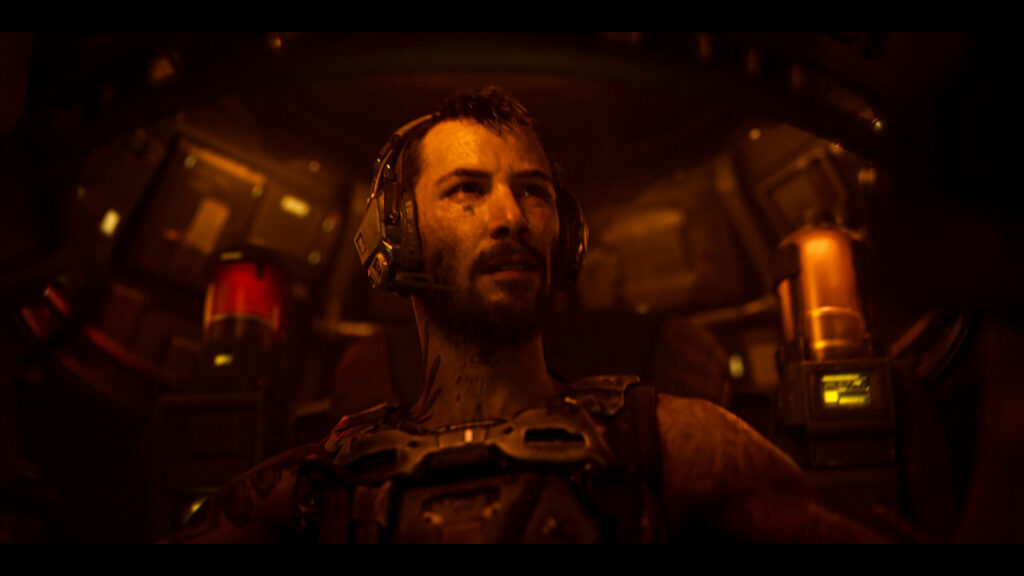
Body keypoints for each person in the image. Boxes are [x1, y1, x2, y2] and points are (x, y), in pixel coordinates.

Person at [168, 87, 892, 544]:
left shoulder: (672, 442)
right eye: (467, 190)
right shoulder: (319, 483)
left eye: (534, 191)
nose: (511, 216)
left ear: (565, 237)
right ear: (398, 236)